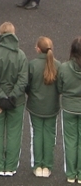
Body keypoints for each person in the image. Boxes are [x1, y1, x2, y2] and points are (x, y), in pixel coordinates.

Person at [0, 22, 28, 176]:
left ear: (0, 34)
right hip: (17, 101)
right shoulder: (21, 55)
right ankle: (10, 167)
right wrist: (13, 96)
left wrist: (1, 96)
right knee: (14, 133)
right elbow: (23, 79)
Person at [26, 36, 59, 178]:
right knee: (50, 136)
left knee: (37, 135)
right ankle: (48, 166)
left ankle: (38, 165)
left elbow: (26, 85)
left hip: (35, 106)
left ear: (38, 49)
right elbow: (60, 87)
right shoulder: (58, 65)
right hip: (52, 107)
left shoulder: (32, 65)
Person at [58, 37, 81, 183]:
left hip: (69, 108)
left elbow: (60, 87)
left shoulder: (64, 67)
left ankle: (71, 174)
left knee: (70, 141)